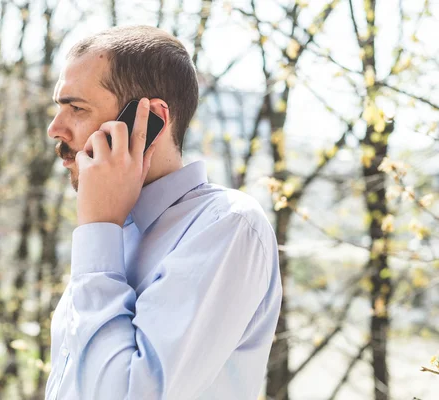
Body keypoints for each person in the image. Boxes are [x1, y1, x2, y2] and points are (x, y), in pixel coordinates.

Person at [45, 25, 282, 400]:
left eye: (76, 108)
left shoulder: (227, 224)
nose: (55, 129)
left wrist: (99, 230)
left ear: (149, 118)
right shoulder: (113, 232)